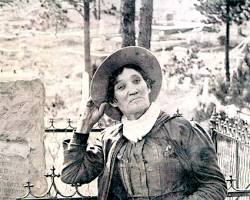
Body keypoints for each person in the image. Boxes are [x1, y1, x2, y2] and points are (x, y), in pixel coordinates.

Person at [61, 46, 227, 200]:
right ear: (113, 101)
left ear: (147, 86)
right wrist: (84, 126)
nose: (133, 90)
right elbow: (72, 174)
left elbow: (215, 186)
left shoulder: (182, 129)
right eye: (121, 87)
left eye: (137, 81)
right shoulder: (108, 141)